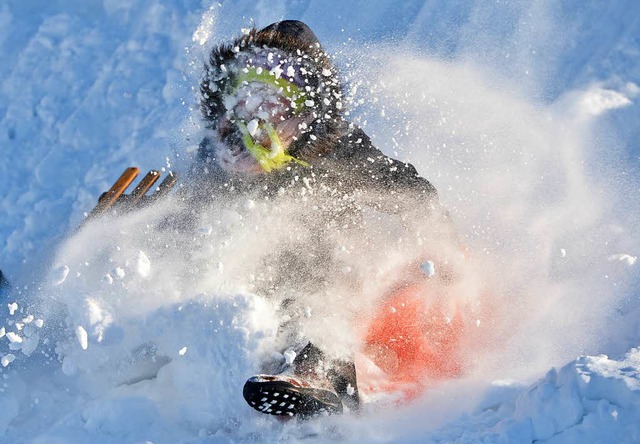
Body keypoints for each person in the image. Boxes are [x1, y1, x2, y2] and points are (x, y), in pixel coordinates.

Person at [192, 20, 457, 418]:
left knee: (317, 286)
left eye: (278, 102)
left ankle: (319, 375)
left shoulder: (334, 146)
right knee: (260, 284)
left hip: (332, 262)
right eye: (251, 99)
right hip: (254, 274)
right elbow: (187, 209)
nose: (262, 117)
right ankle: (287, 373)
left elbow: (408, 192)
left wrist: (442, 240)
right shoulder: (222, 155)